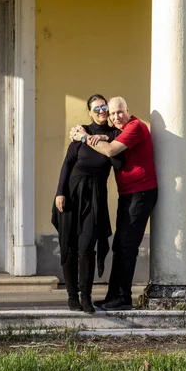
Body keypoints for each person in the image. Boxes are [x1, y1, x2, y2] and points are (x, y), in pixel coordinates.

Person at [70, 96, 157, 311]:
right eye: (111, 114)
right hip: (128, 194)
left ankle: (122, 297)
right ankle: (115, 296)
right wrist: (91, 135)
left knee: (127, 246)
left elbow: (110, 150)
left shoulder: (135, 126)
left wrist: (84, 138)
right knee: (120, 245)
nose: (116, 117)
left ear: (128, 110)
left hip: (140, 193)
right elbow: (108, 138)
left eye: (120, 112)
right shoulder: (123, 129)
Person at [51, 94, 123, 314]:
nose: (101, 111)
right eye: (96, 108)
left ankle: (86, 298)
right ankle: (72, 296)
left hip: (95, 198)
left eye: (104, 107)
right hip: (71, 195)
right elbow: (67, 163)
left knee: (86, 248)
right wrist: (59, 192)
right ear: (90, 112)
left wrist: (100, 140)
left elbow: (117, 161)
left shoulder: (115, 135)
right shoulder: (82, 130)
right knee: (69, 247)